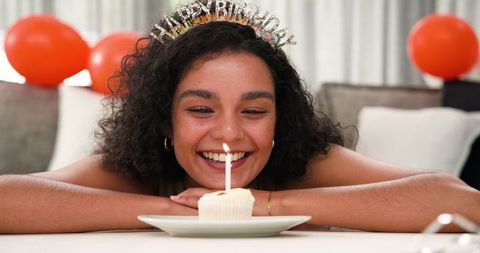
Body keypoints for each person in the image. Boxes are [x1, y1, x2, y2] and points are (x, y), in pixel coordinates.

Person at [1, 0, 479, 234]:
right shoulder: (138, 169)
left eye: (253, 110)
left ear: (280, 120)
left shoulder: (303, 163)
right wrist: (176, 212)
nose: (229, 133)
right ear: (164, 121)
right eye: (201, 109)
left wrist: (267, 205)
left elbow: (461, 203)